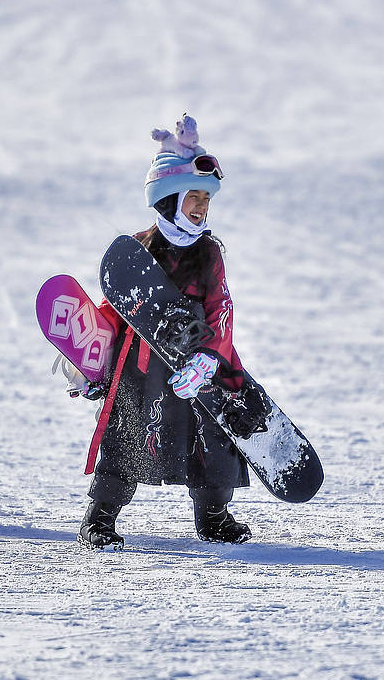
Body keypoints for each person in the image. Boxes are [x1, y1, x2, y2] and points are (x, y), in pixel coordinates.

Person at [76, 115, 252, 549]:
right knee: (130, 433)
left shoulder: (209, 253)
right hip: (142, 367)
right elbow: (116, 306)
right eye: (193, 197)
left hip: (198, 363)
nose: (201, 207)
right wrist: (88, 356)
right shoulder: (137, 251)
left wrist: (211, 356)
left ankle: (214, 516)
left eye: (206, 200)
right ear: (168, 198)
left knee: (213, 434)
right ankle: (100, 517)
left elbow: (221, 310)